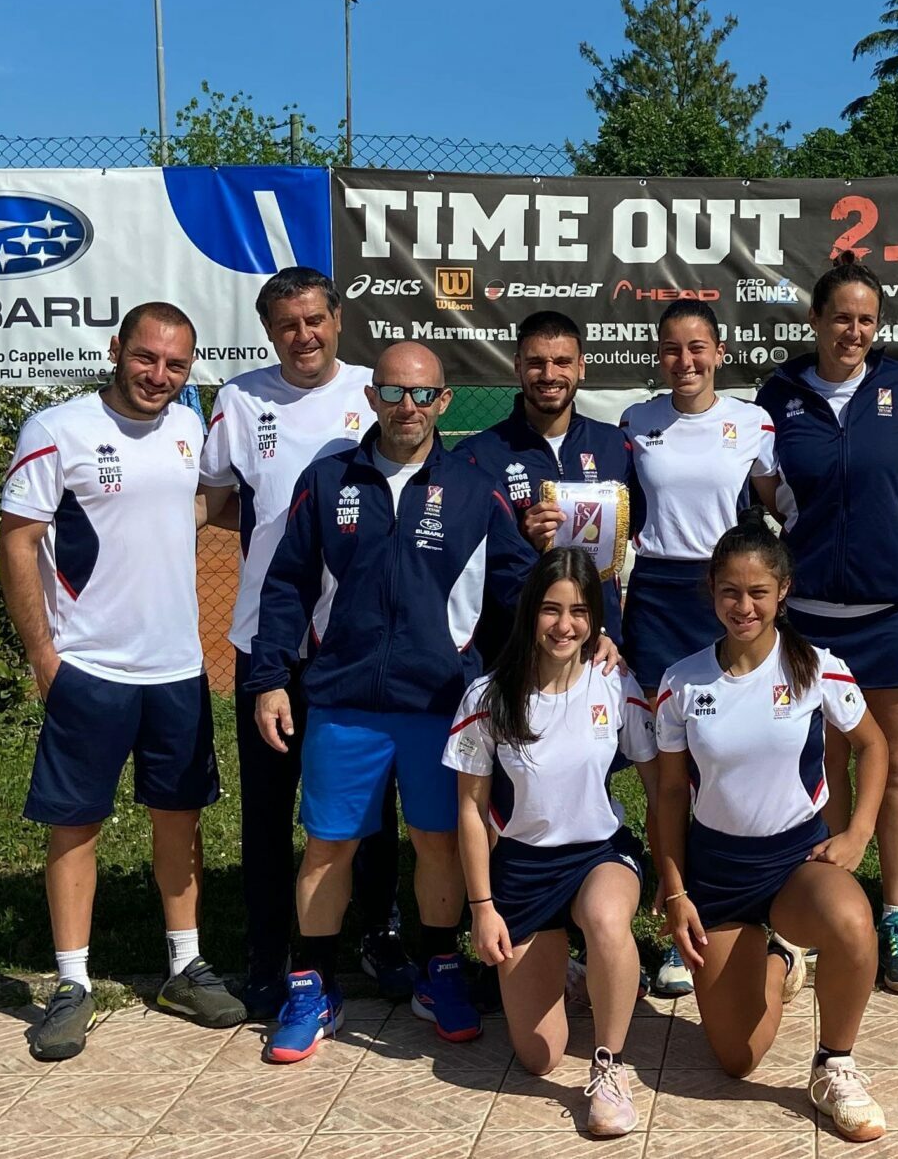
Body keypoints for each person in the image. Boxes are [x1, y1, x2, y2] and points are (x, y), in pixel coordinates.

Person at [246, 341, 532, 1062]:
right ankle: (312, 985)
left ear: (444, 402)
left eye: (423, 394)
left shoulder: (475, 488)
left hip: (442, 705)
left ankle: (439, 969)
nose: (409, 407)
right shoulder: (327, 480)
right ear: (371, 398)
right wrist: (271, 677)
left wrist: (567, 648)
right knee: (329, 846)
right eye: (394, 393)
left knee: (438, 843)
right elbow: (285, 587)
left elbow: (517, 592)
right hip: (343, 700)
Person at [0, 301, 246, 1061]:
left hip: (176, 668)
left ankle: (183, 966)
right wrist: (45, 657)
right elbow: (18, 542)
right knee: (76, 823)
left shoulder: (188, 428)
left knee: (180, 817)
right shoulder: (56, 428)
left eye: (175, 365)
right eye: (146, 359)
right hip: (91, 667)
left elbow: (201, 502)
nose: (158, 376)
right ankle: (71, 982)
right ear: (117, 349)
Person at [198, 267, 412, 1018]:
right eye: (288, 324)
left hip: (356, 642)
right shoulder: (239, 399)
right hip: (269, 640)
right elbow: (215, 504)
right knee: (268, 809)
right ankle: (268, 956)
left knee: (371, 807)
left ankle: (379, 936)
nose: (304, 336)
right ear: (269, 331)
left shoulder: (375, 392)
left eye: (315, 319)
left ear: (338, 319)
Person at [655, 522, 890, 1144]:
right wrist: (675, 890)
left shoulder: (816, 668)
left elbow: (873, 746)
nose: (743, 607)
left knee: (851, 921)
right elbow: (672, 796)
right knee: (736, 1061)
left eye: (758, 592)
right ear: (711, 590)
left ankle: (834, 1063)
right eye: (729, 591)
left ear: (783, 590)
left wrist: (859, 831)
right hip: (718, 875)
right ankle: (779, 957)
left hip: (795, 862)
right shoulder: (681, 683)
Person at [755, 252, 898, 995]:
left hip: (894, 612)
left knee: (896, 768)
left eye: (867, 319)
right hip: (807, 620)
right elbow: (762, 478)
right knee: (822, 771)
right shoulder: (782, 393)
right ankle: (821, 916)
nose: (854, 331)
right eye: (841, 317)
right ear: (816, 321)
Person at [448, 550, 659, 1138]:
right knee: (538, 1056)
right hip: (524, 869)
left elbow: (658, 786)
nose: (564, 625)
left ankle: (610, 1068)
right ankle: (573, 972)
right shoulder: (489, 698)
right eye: (550, 609)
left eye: (578, 611)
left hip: (599, 854)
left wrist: (675, 879)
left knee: (606, 918)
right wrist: (482, 907)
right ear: (529, 613)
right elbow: (469, 809)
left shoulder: (614, 682)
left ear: (595, 619)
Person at [620, 298, 780, 998]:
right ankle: (672, 926)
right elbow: (617, 515)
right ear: (658, 356)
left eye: (697, 348)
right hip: (656, 597)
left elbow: (781, 506)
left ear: (718, 353)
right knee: (665, 775)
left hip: (727, 597)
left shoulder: (753, 422)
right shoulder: (636, 423)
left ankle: (749, 915)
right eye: (671, 350)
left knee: (733, 762)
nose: (684, 361)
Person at [456, 310, 643, 647]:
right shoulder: (478, 455)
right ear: (517, 366)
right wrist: (522, 534)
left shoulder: (615, 445)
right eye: (536, 362)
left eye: (562, 362)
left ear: (581, 367)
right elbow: (469, 561)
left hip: (599, 642)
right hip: (513, 644)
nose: (549, 374)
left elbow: (636, 532)